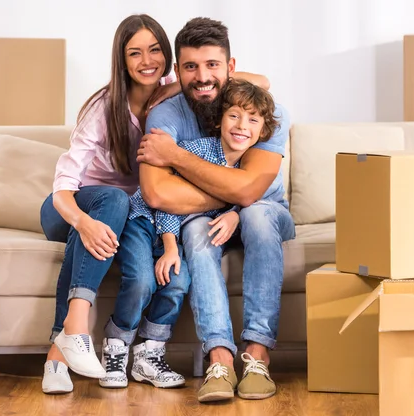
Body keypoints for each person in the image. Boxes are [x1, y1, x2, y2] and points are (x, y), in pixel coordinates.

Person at [39, 13, 270, 395]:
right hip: (70, 206)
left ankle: (56, 356)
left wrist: (171, 86)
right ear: (122, 60)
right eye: (134, 53)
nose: (147, 61)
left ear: (167, 58)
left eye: (154, 50)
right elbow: (63, 186)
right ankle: (73, 334)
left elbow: (262, 83)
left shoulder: (178, 87)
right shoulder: (103, 108)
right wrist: (82, 221)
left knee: (118, 227)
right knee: (109, 204)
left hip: (131, 214)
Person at [136, 17, 296, 402]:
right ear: (178, 70)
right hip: (202, 219)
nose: (202, 77)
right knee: (195, 231)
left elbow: (252, 190)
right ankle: (219, 359)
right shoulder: (166, 115)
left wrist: (175, 156)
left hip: (266, 211)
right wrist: (232, 194)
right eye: (190, 67)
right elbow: (157, 194)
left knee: (255, 214)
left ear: (231, 68)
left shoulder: (262, 111)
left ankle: (257, 356)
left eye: (212, 65)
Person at [99, 78, 278, 390]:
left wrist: (235, 213)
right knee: (143, 280)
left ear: (262, 131)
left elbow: (242, 196)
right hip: (145, 220)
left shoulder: (243, 168)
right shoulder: (198, 152)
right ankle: (115, 348)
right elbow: (168, 200)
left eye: (252, 120)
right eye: (233, 116)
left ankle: (149, 354)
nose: (241, 127)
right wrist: (170, 246)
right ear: (219, 119)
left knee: (178, 280)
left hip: (172, 230)